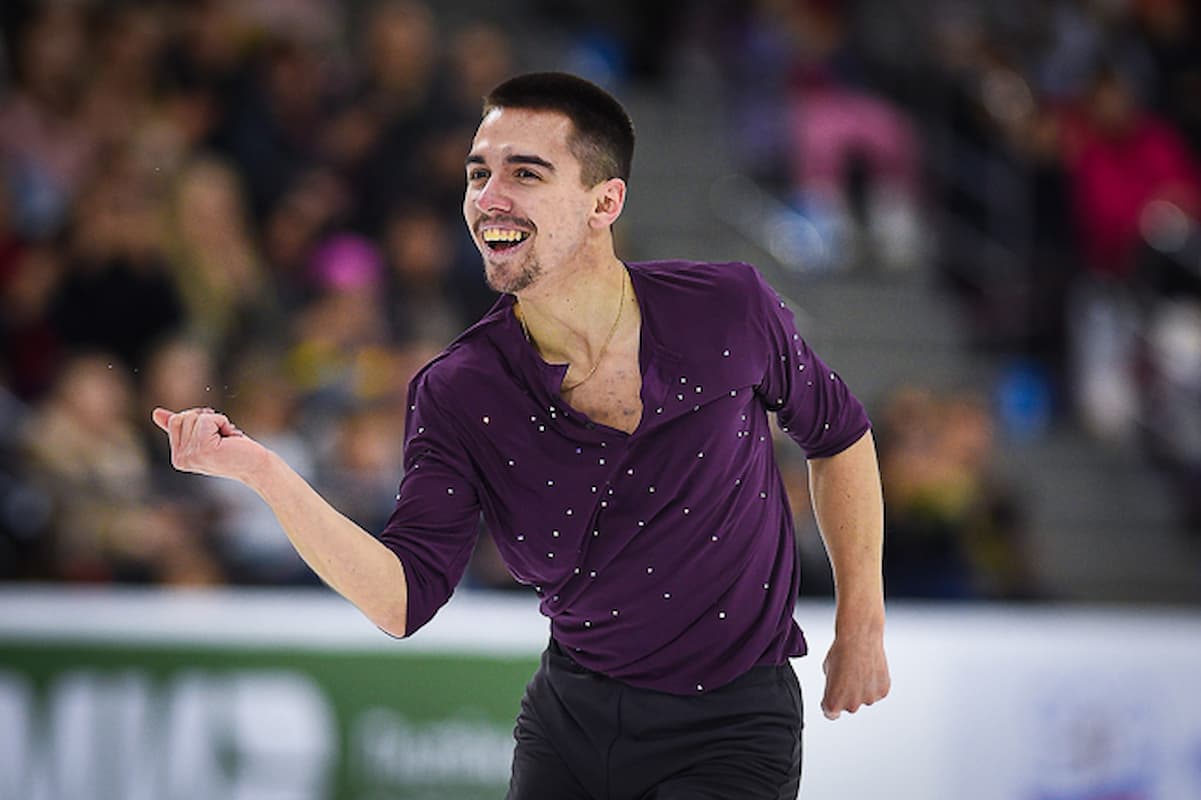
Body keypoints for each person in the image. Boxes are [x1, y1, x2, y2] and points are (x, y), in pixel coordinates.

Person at [153, 71, 889, 798]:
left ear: (604, 201)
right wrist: (264, 472)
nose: (489, 199)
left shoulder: (726, 309)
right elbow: (401, 599)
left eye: (525, 173)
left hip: (732, 725)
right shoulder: (459, 392)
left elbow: (839, 436)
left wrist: (861, 623)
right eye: (478, 174)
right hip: (571, 728)